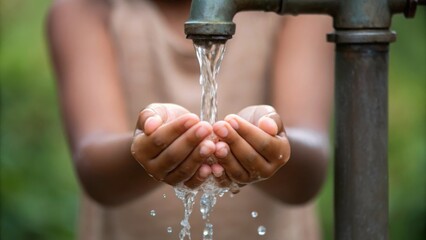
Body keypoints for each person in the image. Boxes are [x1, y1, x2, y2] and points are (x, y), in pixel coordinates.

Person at [47, 0, 334, 239]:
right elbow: (95, 169)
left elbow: (309, 170)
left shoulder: (295, 8)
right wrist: (146, 148)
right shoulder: (86, 9)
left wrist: (270, 143)